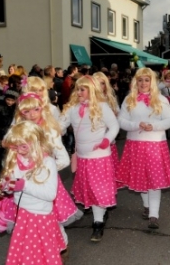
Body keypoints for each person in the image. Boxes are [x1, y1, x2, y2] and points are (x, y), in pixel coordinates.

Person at [14, 92, 83, 255]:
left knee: (53, 218)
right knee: (29, 218)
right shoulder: (19, 131)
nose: (31, 115)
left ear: (42, 110)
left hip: (45, 184)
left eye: (35, 110)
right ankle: (38, 250)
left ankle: (61, 248)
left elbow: (64, 159)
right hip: (24, 184)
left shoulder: (49, 131)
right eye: (26, 111)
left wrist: (46, 172)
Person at [59, 75, 119, 242]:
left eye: (82, 89)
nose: (79, 92)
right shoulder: (72, 109)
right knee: (90, 189)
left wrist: (106, 140)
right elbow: (59, 126)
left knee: (98, 189)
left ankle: (98, 223)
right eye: (77, 89)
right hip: (82, 157)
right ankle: (100, 215)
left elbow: (114, 125)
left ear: (91, 91)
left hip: (99, 157)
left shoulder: (102, 106)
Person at [117, 67, 170, 229]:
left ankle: (154, 215)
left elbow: (169, 120)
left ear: (152, 82)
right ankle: (147, 206)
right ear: (136, 81)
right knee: (141, 179)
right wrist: (136, 125)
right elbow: (121, 121)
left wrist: (154, 126)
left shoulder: (161, 100)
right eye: (140, 80)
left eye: (147, 80)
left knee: (154, 180)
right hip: (135, 145)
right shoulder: (129, 99)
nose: (143, 83)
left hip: (155, 145)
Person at [1, 121, 66, 264]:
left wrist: (24, 185)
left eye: (23, 146)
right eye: (16, 147)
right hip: (22, 214)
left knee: (41, 254)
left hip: (41, 216)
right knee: (25, 253)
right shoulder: (16, 161)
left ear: (36, 142)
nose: (19, 151)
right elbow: (12, 184)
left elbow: (50, 195)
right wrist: (6, 186)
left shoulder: (47, 163)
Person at [93, 72, 121, 188]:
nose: (100, 86)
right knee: (94, 174)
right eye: (97, 83)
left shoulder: (111, 99)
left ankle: (106, 196)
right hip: (91, 142)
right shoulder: (86, 100)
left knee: (108, 173)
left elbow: (119, 117)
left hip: (108, 141)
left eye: (103, 83)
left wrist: (115, 116)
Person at [0, 88, 19, 173]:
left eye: (12, 100)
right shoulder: (0, 108)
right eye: (8, 99)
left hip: (12, 136)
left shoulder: (17, 109)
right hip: (1, 136)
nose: (9, 102)